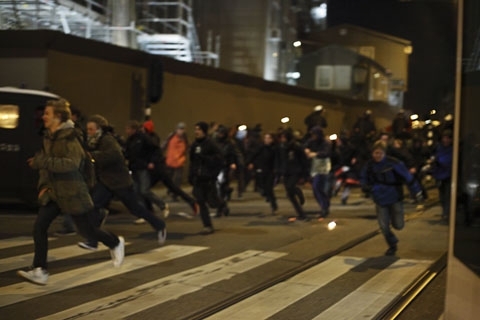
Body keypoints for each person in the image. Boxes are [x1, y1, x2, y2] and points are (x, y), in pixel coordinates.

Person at [17, 99, 124, 285]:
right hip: (54, 192)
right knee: (39, 227)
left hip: (72, 192)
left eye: (47, 114)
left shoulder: (70, 137)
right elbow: (46, 163)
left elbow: (71, 164)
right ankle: (40, 270)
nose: (43, 117)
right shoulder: (49, 136)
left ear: (58, 116)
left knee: (88, 231)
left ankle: (114, 242)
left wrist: (42, 162)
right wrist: (43, 186)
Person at [77, 115, 167, 251]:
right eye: (87, 129)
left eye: (91, 129)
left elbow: (114, 155)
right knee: (94, 206)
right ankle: (93, 240)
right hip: (106, 182)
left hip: (120, 182)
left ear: (99, 129)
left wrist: (92, 156)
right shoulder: (94, 141)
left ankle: (159, 225)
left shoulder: (107, 140)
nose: (88, 131)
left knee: (135, 209)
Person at [360, 140, 423, 256]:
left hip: (394, 196)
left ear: (384, 153)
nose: (377, 156)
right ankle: (392, 244)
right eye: (375, 153)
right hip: (379, 197)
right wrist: (366, 187)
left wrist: (416, 191)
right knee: (383, 226)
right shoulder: (369, 165)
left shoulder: (394, 163)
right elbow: (363, 177)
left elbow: (407, 177)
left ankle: (395, 228)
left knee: (398, 225)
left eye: (380, 153)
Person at [124, 120, 169, 222]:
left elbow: (155, 149)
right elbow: (128, 153)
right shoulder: (130, 140)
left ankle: (162, 205)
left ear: (133, 129)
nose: (126, 131)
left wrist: (152, 162)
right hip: (134, 168)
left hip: (143, 167)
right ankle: (143, 214)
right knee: (136, 192)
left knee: (144, 190)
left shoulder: (143, 138)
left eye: (128, 129)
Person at [189, 121, 229, 234]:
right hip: (198, 178)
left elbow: (220, 160)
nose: (196, 132)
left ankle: (221, 204)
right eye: (195, 129)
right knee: (200, 201)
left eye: (199, 129)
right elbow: (192, 161)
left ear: (204, 131)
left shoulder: (211, 144)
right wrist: (191, 175)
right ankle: (207, 226)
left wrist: (207, 160)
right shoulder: (194, 145)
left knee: (212, 202)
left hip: (208, 178)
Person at [276, 128, 310, 221]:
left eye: (284, 137)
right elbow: (280, 160)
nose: (282, 139)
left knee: (291, 187)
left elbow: (303, 160)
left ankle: (298, 191)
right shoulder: (281, 147)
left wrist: (305, 174)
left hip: (295, 171)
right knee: (290, 195)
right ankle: (301, 213)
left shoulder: (296, 146)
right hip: (286, 171)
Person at [214, 124, 244, 215]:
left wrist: (238, 163)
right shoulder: (214, 142)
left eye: (222, 133)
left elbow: (237, 154)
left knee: (220, 187)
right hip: (215, 167)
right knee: (217, 188)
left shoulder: (230, 143)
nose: (220, 135)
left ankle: (221, 207)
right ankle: (223, 205)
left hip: (224, 167)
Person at [247, 132, 279, 214]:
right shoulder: (261, 147)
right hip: (261, 169)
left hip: (271, 171)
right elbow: (254, 155)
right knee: (262, 187)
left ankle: (273, 205)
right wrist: (250, 163)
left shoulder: (275, 149)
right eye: (265, 138)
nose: (267, 140)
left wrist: (276, 169)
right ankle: (266, 195)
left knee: (269, 188)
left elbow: (277, 159)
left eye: (269, 138)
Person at [304, 126, 332, 218]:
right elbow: (305, 145)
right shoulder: (311, 141)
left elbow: (326, 153)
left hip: (323, 167)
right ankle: (324, 205)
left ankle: (324, 207)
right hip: (314, 167)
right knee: (316, 189)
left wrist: (316, 154)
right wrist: (306, 149)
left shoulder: (325, 143)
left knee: (317, 187)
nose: (313, 136)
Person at [163, 122, 189, 201]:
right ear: (176, 129)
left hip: (179, 162)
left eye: (182, 129)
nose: (181, 131)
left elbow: (187, 148)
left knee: (177, 179)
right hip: (170, 161)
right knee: (169, 178)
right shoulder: (171, 137)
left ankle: (175, 194)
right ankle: (170, 190)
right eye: (180, 129)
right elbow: (164, 145)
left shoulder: (185, 139)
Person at [430, 129, 453, 220]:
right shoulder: (438, 147)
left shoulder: (452, 149)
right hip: (440, 174)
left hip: (448, 174)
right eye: (444, 138)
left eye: (448, 138)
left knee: (447, 195)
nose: (446, 140)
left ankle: (446, 213)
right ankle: (445, 211)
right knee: (442, 195)